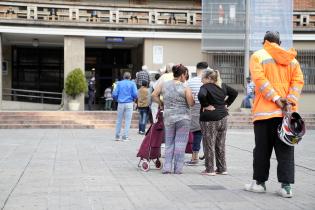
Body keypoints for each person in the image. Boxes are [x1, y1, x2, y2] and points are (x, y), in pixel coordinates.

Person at [244, 31, 304, 198]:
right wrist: (289, 102)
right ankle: (286, 187)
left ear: (265, 42)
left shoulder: (258, 56)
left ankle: (259, 184)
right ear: (280, 42)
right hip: (286, 115)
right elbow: (298, 82)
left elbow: (260, 81)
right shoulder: (292, 59)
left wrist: (276, 98)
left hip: (264, 114)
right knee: (285, 150)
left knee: (262, 150)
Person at [152, 64, 194, 174]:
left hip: (169, 117)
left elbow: (154, 95)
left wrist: (161, 103)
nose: (186, 77)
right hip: (183, 118)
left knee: (169, 142)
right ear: (182, 75)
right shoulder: (185, 87)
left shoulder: (164, 85)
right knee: (180, 143)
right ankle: (178, 168)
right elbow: (190, 103)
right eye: (186, 74)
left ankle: (167, 167)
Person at [198, 68, 238, 176]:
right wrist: (226, 104)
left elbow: (201, 95)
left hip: (209, 120)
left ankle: (209, 169)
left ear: (209, 78)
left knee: (209, 144)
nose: (201, 80)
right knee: (220, 144)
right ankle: (222, 168)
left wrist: (206, 105)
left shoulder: (205, 87)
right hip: (223, 118)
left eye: (203, 78)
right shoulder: (222, 86)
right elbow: (234, 93)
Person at [185, 62, 208, 166]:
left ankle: (195, 157)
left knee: (197, 133)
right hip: (209, 108)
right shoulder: (210, 81)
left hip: (195, 107)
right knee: (208, 134)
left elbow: (188, 97)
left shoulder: (191, 81)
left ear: (197, 69)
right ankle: (208, 157)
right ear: (206, 69)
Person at [112, 72, 138, 141]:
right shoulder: (132, 83)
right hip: (129, 103)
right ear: (130, 77)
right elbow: (135, 94)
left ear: (123, 77)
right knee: (128, 121)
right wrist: (133, 98)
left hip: (120, 103)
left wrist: (117, 99)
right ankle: (125, 136)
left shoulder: (119, 83)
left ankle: (117, 136)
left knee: (119, 120)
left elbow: (114, 94)